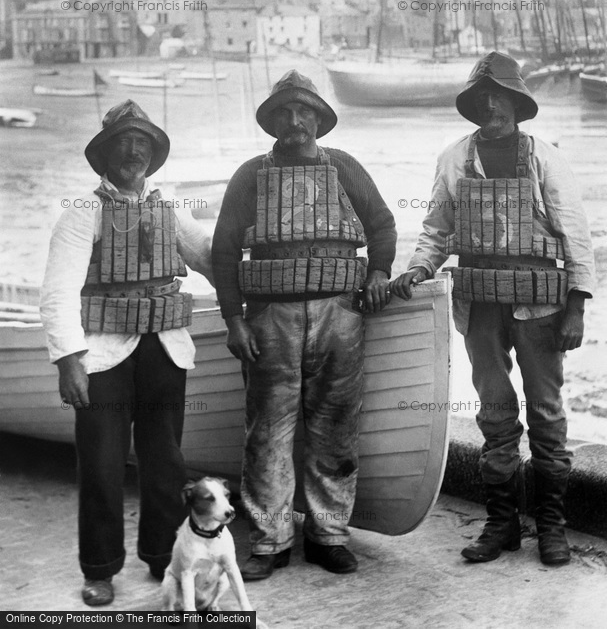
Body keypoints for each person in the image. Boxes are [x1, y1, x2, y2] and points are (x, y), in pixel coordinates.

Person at [392, 52, 595, 567]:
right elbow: (436, 229)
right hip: (480, 302)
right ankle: (501, 523)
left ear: (518, 105)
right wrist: (418, 269)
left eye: (500, 98)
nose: (491, 108)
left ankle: (551, 526)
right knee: (496, 412)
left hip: (540, 304)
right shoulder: (453, 159)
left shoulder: (546, 158)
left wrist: (578, 306)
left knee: (547, 413)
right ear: (473, 107)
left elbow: (576, 236)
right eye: (482, 100)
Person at [212, 69, 396, 579]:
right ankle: (269, 541)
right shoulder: (250, 175)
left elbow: (381, 224)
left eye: (304, 112)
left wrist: (379, 271)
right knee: (266, 432)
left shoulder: (346, 168)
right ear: (272, 122)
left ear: (319, 119)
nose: (295, 122)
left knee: (335, 430)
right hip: (271, 319)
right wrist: (233, 320)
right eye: (285, 114)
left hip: (340, 313)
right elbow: (225, 249)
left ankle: (329, 536)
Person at [40, 100, 213, 606]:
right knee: (101, 464)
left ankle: (164, 557)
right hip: (102, 356)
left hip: (165, 350)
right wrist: (69, 360)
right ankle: (99, 569)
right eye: (123, 142)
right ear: (106, 153)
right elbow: (57, 292)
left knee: (166, 462)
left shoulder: (169, 210)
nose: (132, 151)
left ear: (153, 154)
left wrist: (250, 289)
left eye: (142, 143)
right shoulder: (82, 214)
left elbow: (208, 256)